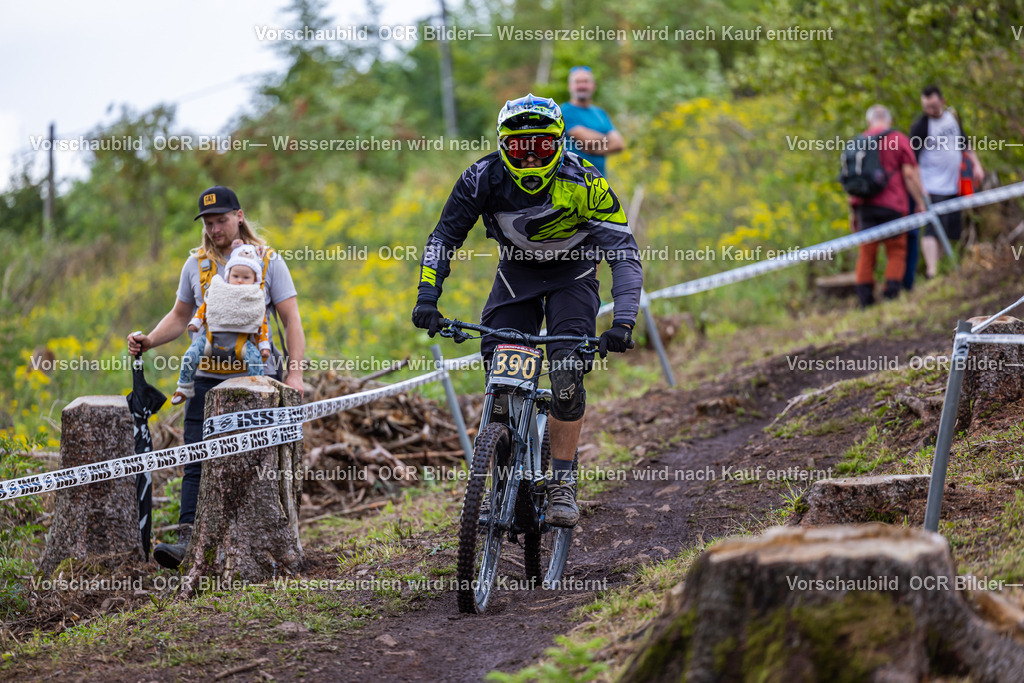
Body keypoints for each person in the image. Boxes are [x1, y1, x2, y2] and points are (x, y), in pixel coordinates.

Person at [411, 94, 643, 527]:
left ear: (559, 144)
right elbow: (443, 238)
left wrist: (624, 320)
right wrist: (427, 297)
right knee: (500, 378)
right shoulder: (481, 178)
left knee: (566, 373)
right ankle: (500, 482)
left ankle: (562, 481)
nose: (531, 157)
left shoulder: (586, 180)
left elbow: (624, 254)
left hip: (574, 275)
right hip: (516, 276)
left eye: (541, 145)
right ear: (503, 146)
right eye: (520, 148)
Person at [127, 186, 306, 569]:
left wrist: (295, 373)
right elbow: (180, 315)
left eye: (221, 220)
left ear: (239, 216)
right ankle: (188, 541)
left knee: (260, 459)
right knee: (197, 458)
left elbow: (291, 319)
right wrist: (149, 340)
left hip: (257, 383)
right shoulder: (195, 264)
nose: (214, 229)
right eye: (208, 223)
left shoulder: (268, 260)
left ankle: (265, 540)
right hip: (205, 380)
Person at [170, 241, 272, 405]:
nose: (240, 281)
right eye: (235, 276)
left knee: (255, 360)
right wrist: (196, 322)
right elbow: (205, 307)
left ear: (255, 279)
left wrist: (264, 345)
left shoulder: (255, 298)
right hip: (210, 339)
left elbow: (261, 322)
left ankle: (256, 389)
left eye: (246, 277)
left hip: (240, 344)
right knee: (190, 356)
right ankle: (184, 386)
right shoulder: (218, 290)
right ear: (228, 275)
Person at [847, 105, 927, 307]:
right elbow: (909, 174)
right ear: (889, 120)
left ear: (869, 121)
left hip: (864, 206)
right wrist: (920, 201)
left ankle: (865, 301)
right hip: (893, 204)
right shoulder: (898, 139)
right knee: (897, 251)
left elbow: (852, 181)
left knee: (866, 253)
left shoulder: (858, 142)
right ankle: (891, 295)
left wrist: (853, 212)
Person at [909, 85, 985, 280]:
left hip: (954, 183)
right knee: (933, 228)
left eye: (933, 106)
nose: (930, 110)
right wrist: (921, 188)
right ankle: (931, 271)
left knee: (951, 229)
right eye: (926, 107)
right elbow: (911, 161)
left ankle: (940, 267)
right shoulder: (921, 126)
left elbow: (964, 142)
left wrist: (976, 165)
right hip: (932, 186)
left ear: (942, 101)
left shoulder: (952, 117)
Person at [560, 66, 624, 177]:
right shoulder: (564, 111)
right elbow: (588, 140)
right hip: (574, 180)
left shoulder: (600, 113)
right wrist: (607, 139)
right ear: (569, 86)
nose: (582, 86)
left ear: (594, 85)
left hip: (600, 182)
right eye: (577, 82)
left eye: (586, 81)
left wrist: (594, 151)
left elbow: (619, 143)